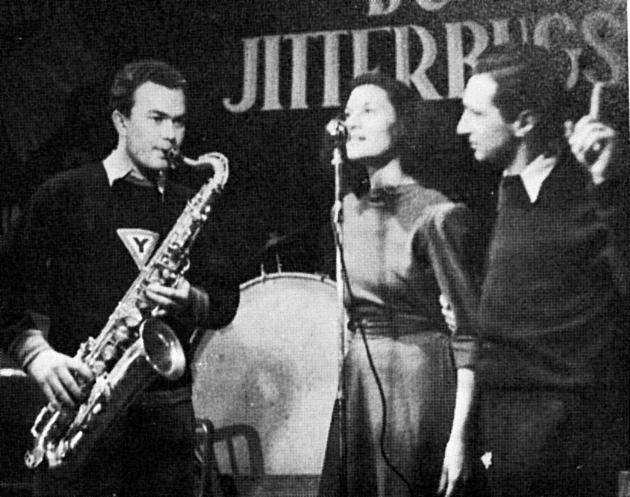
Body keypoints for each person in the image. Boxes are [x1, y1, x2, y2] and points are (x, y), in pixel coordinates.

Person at [0, 59, 239, 497]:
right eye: (157, 118)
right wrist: (38, 357)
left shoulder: (193, 205)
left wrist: (190, 298)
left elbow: (225, 303)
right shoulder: (63, 194)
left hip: (166, 422)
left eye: (179, 121)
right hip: (81, 414)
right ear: (121, 121)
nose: (171, 135)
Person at [454, 43, 629, 497]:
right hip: (505, 428)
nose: (460, 127)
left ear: (524, 122)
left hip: (568, 434)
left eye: (475, 113)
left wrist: (606, 186)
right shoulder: (501, 195)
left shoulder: (592, 189)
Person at [318, 72, 482, 497]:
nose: (352, 123)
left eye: (368, 111)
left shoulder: (437, 214)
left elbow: (469, 335)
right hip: (360, 382)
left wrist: (460, 438)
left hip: (420, 386)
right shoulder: (345, 210)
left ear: (402, 124)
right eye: (348, 113)